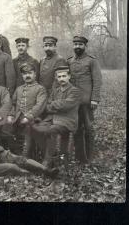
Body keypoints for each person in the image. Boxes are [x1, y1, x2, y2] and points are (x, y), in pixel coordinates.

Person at [31, 66, 81, 167]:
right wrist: (55, 105)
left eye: (64, 76)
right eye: (59, 77)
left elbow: (66, 105)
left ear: (69, 76)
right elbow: (47, 106)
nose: (61, 79)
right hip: (52, 119)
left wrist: (54, 104)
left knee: (52, 130)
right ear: (56, 78)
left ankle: (47, 160)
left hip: (67, 121)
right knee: (34, 128)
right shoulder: (55, 90)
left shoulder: (75, 91)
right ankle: (50, 153)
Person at [67, 36, 102, 164]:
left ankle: (89, 157)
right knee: (76, 129)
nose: (77, 46)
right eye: (75, 44)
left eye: (80, 44)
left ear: (85, 46)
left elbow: (97, 81)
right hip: (73, 102)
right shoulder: (69, 61)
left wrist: (95, 99)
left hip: (87, 102)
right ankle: (79, 156)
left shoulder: (91, 61)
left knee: (88, 128)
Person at [3, 63, 47, 156]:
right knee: (5, 129)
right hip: (18, 116)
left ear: (35, 74)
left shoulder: (40, 89)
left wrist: (29, 116)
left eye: (30, 73)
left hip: (34, 118)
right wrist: (11, 115)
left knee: (28, 130)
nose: (27, 76)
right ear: (22, 76)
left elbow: (40, 105)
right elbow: (13, 103)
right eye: (25, 74)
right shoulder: (19, 89)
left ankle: (25, 157)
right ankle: (14, 153)